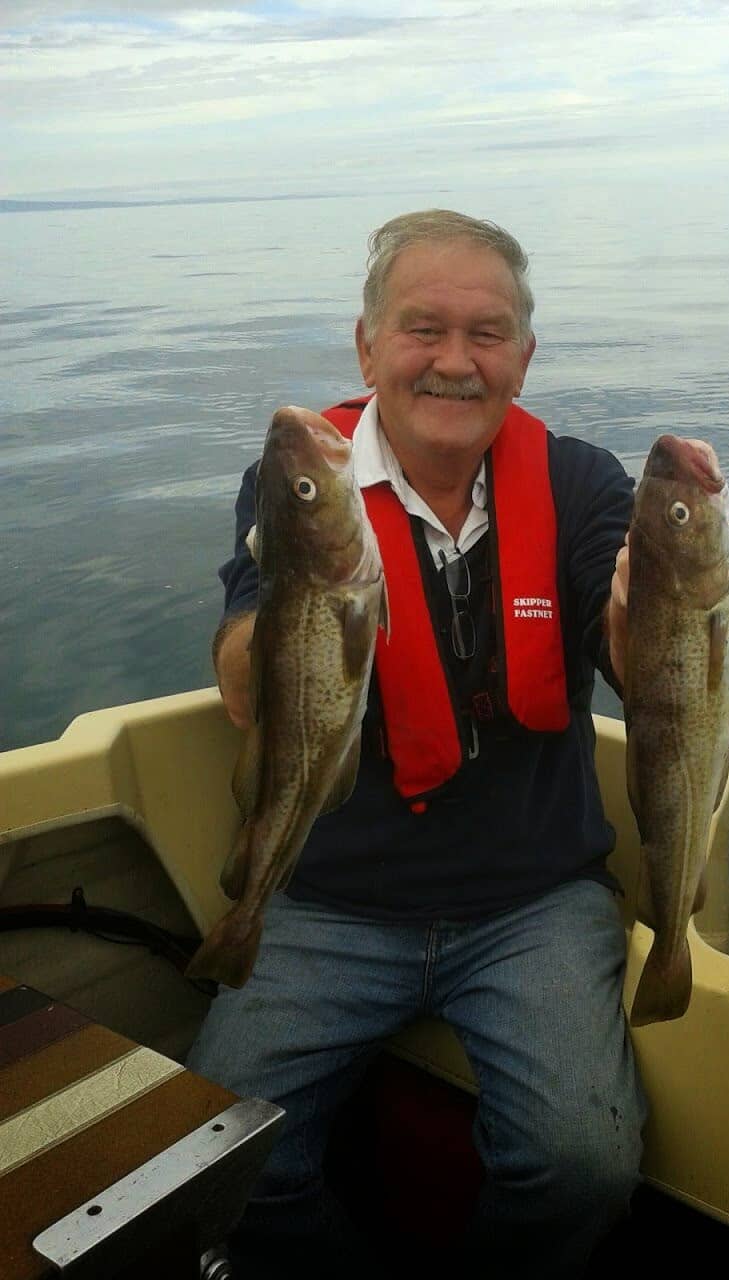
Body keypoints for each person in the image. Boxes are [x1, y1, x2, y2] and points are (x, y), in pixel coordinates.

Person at [188, 209, 646, 1278]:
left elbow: (626, 655)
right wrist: (295, 597)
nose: (453, 360)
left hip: (532, 902)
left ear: (524, 360)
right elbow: (242, 676)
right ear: (366, 345)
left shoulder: (579, 479)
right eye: (421, 327)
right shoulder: (302, 488)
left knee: (583, 1163)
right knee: (211, 1158)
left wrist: (665, 607)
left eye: (487, 333)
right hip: (331, 895)